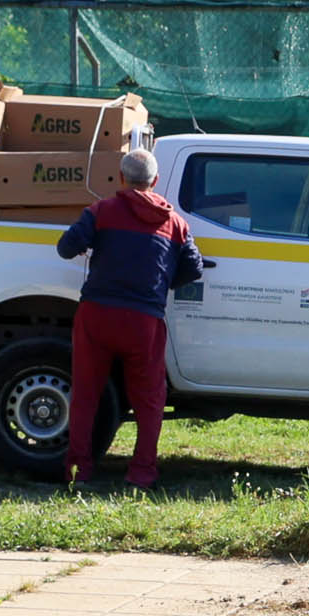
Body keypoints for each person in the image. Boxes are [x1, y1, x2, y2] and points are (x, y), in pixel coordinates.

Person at [54, 147, 203, 487]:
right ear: (155, 181)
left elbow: (65, 248)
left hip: (97, 316)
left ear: (121, 178)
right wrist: (161, 282)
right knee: (149, 400)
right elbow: (193, 267)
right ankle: (142, 473)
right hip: (144, 321)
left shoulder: (101, 211)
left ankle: (78, 469)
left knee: (86, 395)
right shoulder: (175, 223)